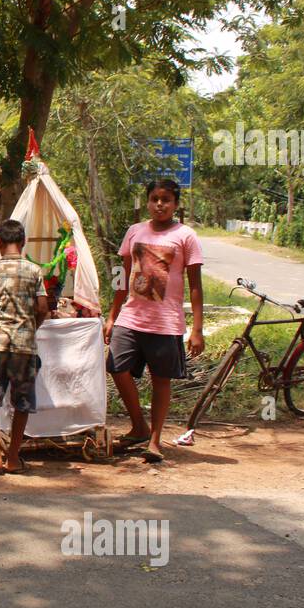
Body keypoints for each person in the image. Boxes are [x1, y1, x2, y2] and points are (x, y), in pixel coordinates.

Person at [103, 177, 204, 463]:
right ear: (147, 201)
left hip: (166, 321)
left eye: (166, 200)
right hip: (131, 317)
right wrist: (112, 315)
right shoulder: (135, 232)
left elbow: (195, 285)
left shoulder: (186, 236)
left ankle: (155, 440)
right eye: (154, 199)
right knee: (115, 367)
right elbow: (122, 278)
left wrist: (197, 329)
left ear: (175, 204)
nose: (159, 204)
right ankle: (139, 425)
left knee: (161, 380)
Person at [0, 219, 47, 474]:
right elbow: (42, 308)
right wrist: (30, 329)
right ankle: (13, 457)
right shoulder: (35, 271)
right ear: (23, 242)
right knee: (21, 402)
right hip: (25, 347)